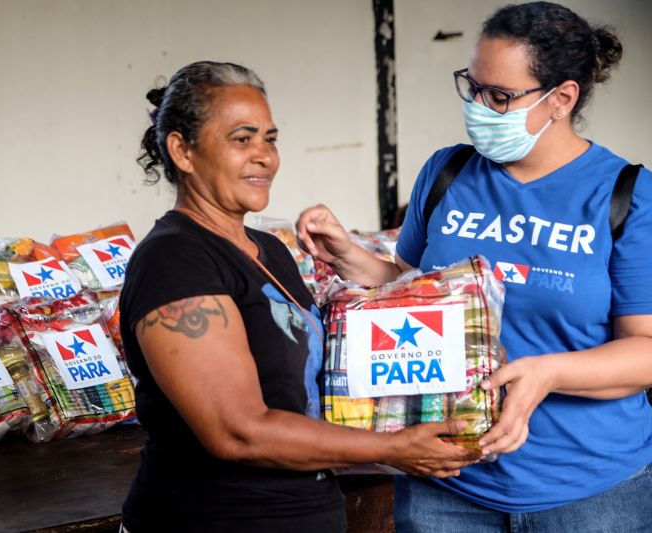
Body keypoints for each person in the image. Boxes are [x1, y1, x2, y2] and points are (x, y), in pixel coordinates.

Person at [297, 2, 652, 531]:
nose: (479, 106)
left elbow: (644, 351)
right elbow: (415, 292)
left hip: (590, 491)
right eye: (474, 86)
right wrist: (347, 253)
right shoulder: (448, 172)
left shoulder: (626, 196)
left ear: (562, 98)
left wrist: (549, 373)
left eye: (501, 96)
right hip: (446, 482)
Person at [118, 60, 480, 533]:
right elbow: (237, 431)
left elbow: (310, 390)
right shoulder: (174, 260)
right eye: (242, 139)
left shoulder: (268, 249)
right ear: (182, 151)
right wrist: (395, 447)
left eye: (270, 138)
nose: (265, 156)